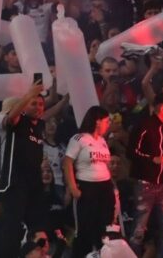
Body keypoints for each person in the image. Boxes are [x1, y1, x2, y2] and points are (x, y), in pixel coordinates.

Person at [0, 81, 47, 258]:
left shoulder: (40, 126)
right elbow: (10, 117)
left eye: (41, 104)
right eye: (34, 103)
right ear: (25, 106)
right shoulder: (20, 121)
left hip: (34, 183)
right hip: (15, 181)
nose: (38, 107)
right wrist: (28, 95)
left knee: (36, 225)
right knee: (12, 225)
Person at [63, 105, 117, 257]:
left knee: (105, 228)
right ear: (97, 121)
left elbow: (105, 165)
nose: (108, 125)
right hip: (87, 186)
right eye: (106, 121)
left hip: (104, 187)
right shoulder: (79, 139)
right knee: (85, 228)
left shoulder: (102, 141)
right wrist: (73, 187)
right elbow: (67, 162)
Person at [129, 93, 163, 256]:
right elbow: (132, 151)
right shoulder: (144, 125)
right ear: (162, 108)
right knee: (139, 228)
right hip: (145, 184)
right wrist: (153, 159)